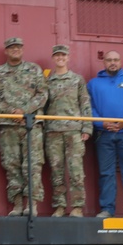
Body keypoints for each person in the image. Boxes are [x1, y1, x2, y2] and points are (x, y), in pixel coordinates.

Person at [0, 37, 48, 216]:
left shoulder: (34, 69)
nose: (15, 50)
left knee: (33, 164)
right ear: (6, 51)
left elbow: (43, 93)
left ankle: (32, 204)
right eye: (11, 48)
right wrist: (10, 112)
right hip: (7, 125)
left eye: (18, 47)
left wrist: (24, 111)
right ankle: (17, 204)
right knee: (11, 164)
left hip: (31, 124)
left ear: (22, 49)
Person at [88, 50, 123, 218]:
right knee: (106, 172)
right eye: (109, 60)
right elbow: (88, 107)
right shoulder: (93, 84)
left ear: (120, 61)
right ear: (104, 62)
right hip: (103, 134)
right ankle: (107, 209)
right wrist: (101, 123)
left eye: (116, 60)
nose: (113, 63)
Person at [44, 45, 93, 217]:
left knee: (76, 170)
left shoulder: (77, 80)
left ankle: (78, 206)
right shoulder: (47, 81)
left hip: (73, 130)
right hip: (53, 131)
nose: (60, 58)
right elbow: (43, 106)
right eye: (57, 55)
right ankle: (59, 206)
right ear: (53, 58)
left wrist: (87, 127)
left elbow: (85, 103)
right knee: (56, 171)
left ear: (68, 57)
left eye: (63, 55)